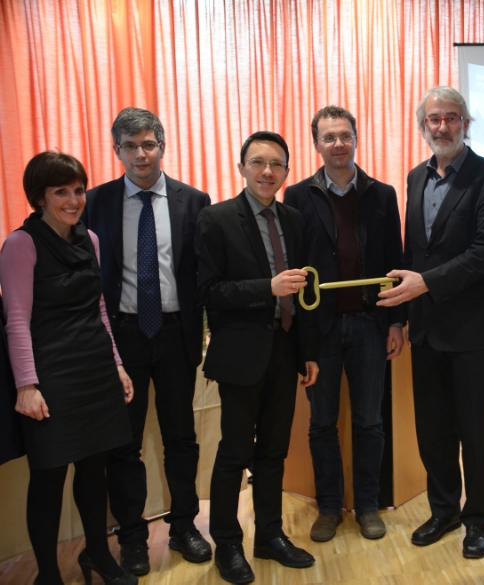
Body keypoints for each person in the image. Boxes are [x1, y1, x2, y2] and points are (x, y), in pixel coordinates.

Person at [377, 86, 484, 559]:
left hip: (473, 331)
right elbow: (413, 253)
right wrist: (399, 317)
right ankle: (444, 510)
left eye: (451, 118)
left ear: (465, 124)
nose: (442, 126)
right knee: (432, 431)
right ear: (423, 126)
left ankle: (478, 520)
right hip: (426, 328)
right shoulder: (416, 177)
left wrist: (425, 284)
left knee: (474, 433)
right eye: (434, 119)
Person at [82, 107, 212, 575]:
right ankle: (133, 537)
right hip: (122, 338)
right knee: (124, 444)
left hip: (176, 334)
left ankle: (184, 526)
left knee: (182, 438)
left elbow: (203, 273)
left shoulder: (194, 201)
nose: (141, 154)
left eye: (148, 144)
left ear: (162, 146)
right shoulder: (95, 203)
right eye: (130, 146)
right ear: (117, 150)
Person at [0, 152, 136, 585]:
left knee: (94, 474)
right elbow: (16, 320)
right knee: (48, 479)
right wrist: (26, 385)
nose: (74, 200)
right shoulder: (20, 244)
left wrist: (116, 364)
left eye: (78, 190)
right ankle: (48, 575)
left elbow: (99, 309)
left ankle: (97, 554)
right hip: (51, 376)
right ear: (39, 197)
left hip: (95, 370)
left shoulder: (89, 239)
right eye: (61, 191)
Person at [196, 131, 319, 583]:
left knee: (273, 452)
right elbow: (209, 291)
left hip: (285, 351)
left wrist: (308, 353)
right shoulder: (216, 219)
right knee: (233, 454)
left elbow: (304, 293)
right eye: (258, 162)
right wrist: (266, 288)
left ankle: (269, 535)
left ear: (286, 171)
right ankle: (227, 544)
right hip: (240, 355)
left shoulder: (295, 219)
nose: (267, 172)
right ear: (242, 167)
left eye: (276, 164)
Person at [284, 105, 405, 542]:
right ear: (316, 143)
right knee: (322, 423)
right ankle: (330, 507)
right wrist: (301, 336)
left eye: (345, 135)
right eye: (329, 137)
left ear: (356, 138)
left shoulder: (382, 193)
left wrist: (396, 322)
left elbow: (394, 259)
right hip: (321, 330)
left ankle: (367, 506)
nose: (338, 144)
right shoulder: (297, 196)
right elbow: (294, 264)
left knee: (370, 421)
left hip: (371, 325)